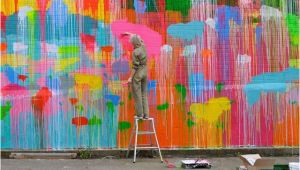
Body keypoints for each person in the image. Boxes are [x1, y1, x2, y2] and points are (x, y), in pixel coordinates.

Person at [122, 32, 149, 119]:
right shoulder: (143, 47)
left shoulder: (135, 52)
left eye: (131, 42)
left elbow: (134, 67)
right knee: (144, 94)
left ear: (134, 43)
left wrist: (130, 78)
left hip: (138, 73)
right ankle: (146, 115)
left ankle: (139, 114)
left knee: (137, 94)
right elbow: (140, 39)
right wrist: (130, 34)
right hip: (145, 72)